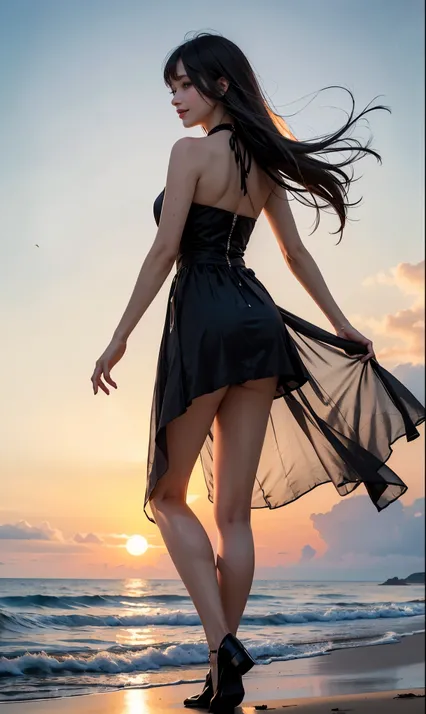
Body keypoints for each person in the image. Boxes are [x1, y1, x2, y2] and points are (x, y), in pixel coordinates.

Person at [91, 33, 425, 714]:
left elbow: (165, 252)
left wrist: (119, 336)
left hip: (206, 319)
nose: (176, 100)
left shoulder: (189, 154)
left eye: (184, 85)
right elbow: (295, 255)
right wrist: (340, 322)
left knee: (166, 497)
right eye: (171, 89)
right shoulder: (265, 163)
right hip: (258, 321)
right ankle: (224, 678)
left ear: (220, 84)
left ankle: (223, 643)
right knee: (234, 517)